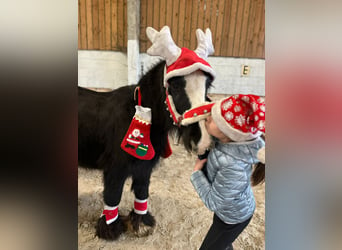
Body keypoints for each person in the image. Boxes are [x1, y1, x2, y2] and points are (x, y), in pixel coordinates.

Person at [190, 94, 266, 250]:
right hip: (228, 209)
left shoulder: (233, 166)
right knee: (222, 243)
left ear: (228, 133)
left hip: (234, 218)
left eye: (215, 119)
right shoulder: (227, 141)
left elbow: (213, 202)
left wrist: (197, 174)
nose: (209, 117)